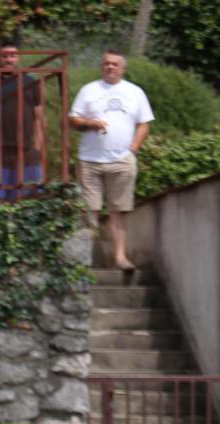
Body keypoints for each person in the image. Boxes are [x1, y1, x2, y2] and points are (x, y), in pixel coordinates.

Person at [69, 50, 153, 272]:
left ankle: (120, 258)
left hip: (122, 161)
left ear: (123, 68)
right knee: (89, 211)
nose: (110, 67)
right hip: (89, 160)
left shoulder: (134, 92)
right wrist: (90, 123)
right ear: (102, 67)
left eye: (115, 64)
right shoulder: (89, 90)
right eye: (106, 63)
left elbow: (144, 123)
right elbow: (73, 119)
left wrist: (134, 148)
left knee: (118, 212)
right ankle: (86, 261)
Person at [0, 42, 45, 200]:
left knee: (28, 197)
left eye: (13, 56)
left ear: (18, 58)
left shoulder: (30, 81)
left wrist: (38, 146)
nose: (9, 60)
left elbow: (39, 116)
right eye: (4, 56)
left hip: (25, 149)